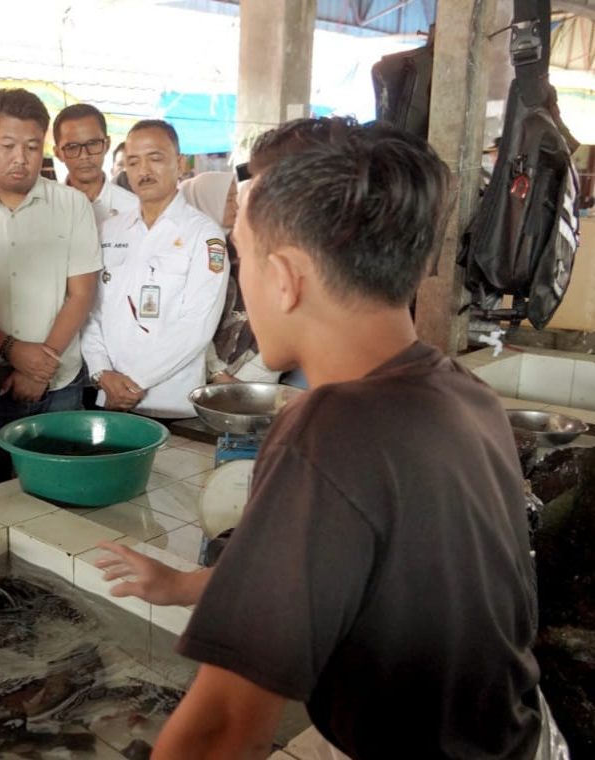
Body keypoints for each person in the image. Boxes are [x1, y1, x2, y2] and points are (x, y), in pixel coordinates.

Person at [95, 118, 556, 759]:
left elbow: (226, 723)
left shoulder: (329, 430)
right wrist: (178, 587)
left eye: (240, 254)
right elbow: (348, 571)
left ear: (284, 277)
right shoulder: (461, 392)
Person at [0, 88, 100, 493]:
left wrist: (41, 364)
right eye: (8, 145)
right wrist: (14, 351)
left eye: (31, 146)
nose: (20, 158)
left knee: (61, 497)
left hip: (59, 385)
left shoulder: (72, 205)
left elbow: (81, 294)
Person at [80, 120, 227, 420]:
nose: (144, 170)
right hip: (108, 398)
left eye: (155, 158)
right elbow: (90, 311)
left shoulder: (204, 234)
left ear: (180, 162)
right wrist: (100, 372)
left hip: (171, 403)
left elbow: (197, 324)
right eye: (133, 162)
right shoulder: (109, 231)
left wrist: (134, 384)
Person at [179, 171, 279, 384]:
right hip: (195, 370)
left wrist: (254, 375)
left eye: (236, 198)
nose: (236, 206)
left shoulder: (244, 245)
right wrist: (216, 372)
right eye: (228, 199)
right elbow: (193, 319)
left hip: (253, 368)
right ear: (207, 200)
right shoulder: (190, 251)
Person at [53, 103, 137, 230]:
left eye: (92, 144)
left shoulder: (134, 209)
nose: (84, 156)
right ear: (58, 153)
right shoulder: (45, 209)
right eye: (72, 147)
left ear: (107, 145)